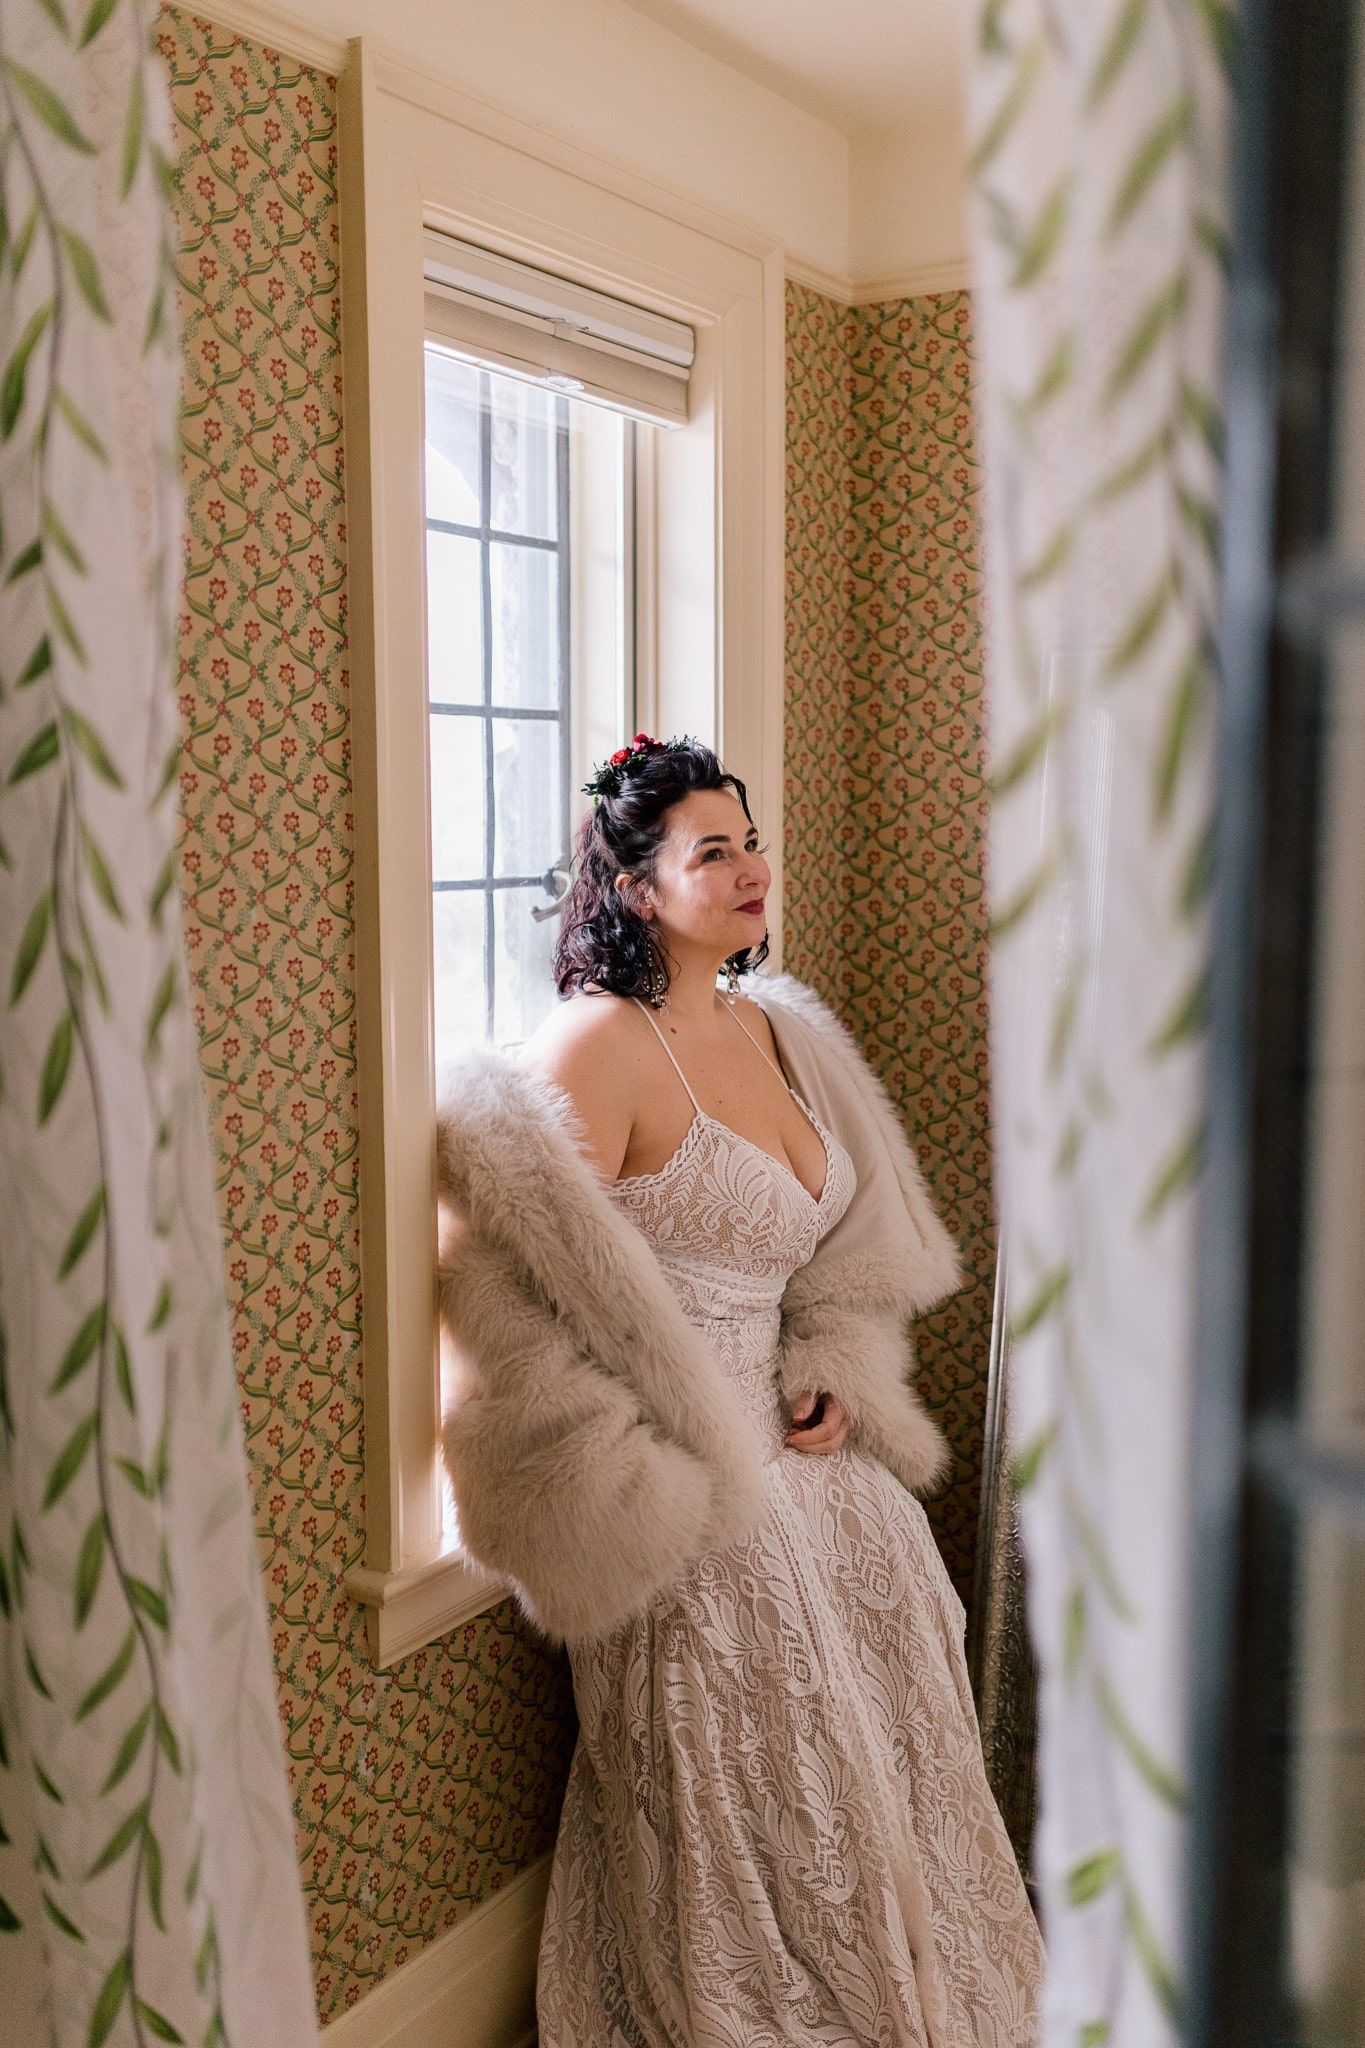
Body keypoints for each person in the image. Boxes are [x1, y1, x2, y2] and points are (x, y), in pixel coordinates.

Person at [435, 735, 1042, 2046]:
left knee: (897, 1793)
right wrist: (649, 1478)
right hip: (692, 1508)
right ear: (638, 888)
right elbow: (507, 1297)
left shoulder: (775, 1027)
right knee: (757, 1817)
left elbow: (840, 1250)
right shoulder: (597, 1046)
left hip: (818, 1477)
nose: (752, 867)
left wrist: (828, 1371)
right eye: (712, 851)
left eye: (747, 838)